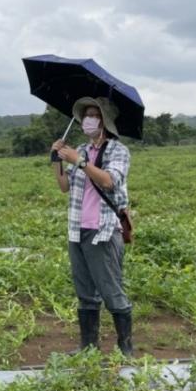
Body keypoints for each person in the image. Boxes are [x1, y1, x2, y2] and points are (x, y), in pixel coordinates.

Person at [51, 97, 133, 356]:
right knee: (85, 292)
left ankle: (125, 349)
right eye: (85, 115)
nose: (87, 120)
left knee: (111, 290)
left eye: (93, 115)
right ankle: (89, 347)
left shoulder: (117, 150)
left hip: (104, 231)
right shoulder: (82, 150)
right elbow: (65, 187)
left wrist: (79, 161)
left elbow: (109, 181)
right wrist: (57, 161)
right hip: (78, 229)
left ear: (104, 121)